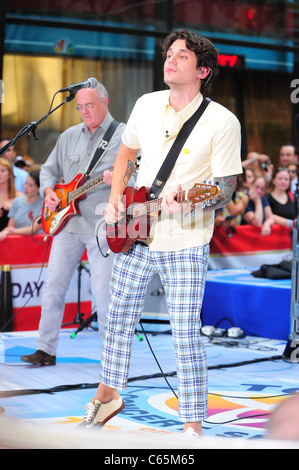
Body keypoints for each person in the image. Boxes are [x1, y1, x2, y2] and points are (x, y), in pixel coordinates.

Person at [79, 29, 242, 438]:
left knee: (184, 333)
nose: (170, 60)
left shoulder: (223, 121)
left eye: (181, 56)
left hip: (185, 241)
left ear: (203, 70)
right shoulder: (146, 104)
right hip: (137, 232)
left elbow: (224, 188)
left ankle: (192, 424)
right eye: (169, 54)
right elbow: (126, 154)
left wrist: (193, 201)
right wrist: (117, 197)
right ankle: (107, 396)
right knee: (115, 320)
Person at [21, 80, 125, 366]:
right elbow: (49, 171)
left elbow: (139, 176)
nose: (84, 112)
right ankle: (45, 349)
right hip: (66, 224)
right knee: (53, 286)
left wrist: (119, 179)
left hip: (101, 226)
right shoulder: (68, 136)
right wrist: (49, 192)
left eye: (89, 106)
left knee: (104, 294)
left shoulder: (125, 136)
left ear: (105, 102)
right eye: (79, 107)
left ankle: (111, 360)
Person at [0, 170, 43, 241]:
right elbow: (10, 226)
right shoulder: (17, 201)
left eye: (30, 185)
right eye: (25, 183)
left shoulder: (44, 205)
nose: (26, 187)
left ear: (38, 188)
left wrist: (10, 231)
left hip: (37, 244)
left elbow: (32, 230)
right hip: (18, 243)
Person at [265, 167, 295, 231]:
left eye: (286, 179)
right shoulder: (266, 197)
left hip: (289, 237)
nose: (283, 181)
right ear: (273, 180)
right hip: (270, 235)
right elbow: (270, 217)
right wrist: (291, 223)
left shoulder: (292, 196)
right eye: (280, 178)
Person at [0, 157, 23, 231]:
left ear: (9, 174)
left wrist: (14, 209)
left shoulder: (19, 196)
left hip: (13, 238)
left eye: (2, 171)